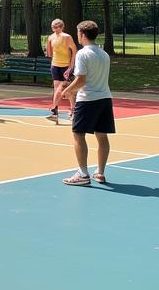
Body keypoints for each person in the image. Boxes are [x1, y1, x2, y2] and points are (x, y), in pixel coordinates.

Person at [54, 20, 115, 186]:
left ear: (82, 34)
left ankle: (83, 173)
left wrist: (67, 91)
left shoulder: (82, 53)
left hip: (88, 99)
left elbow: (81, 80)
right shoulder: (104, 54)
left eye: (78, 34)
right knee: (102, 135)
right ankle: (100, 173)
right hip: (105, 98)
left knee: (78, 134)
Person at [45, 18, 77, 123]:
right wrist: (48, 45)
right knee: (56, 88)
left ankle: (73, 110)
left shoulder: (67, 37)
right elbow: (49, 54)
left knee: (67, 90)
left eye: (57, 27)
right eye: (53, 27)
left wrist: (70, 67)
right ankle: (55, 112)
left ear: (62, 27)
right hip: (55, 66)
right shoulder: (51, 37)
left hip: (66, 66)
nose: (55, 29)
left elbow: (74, 52)